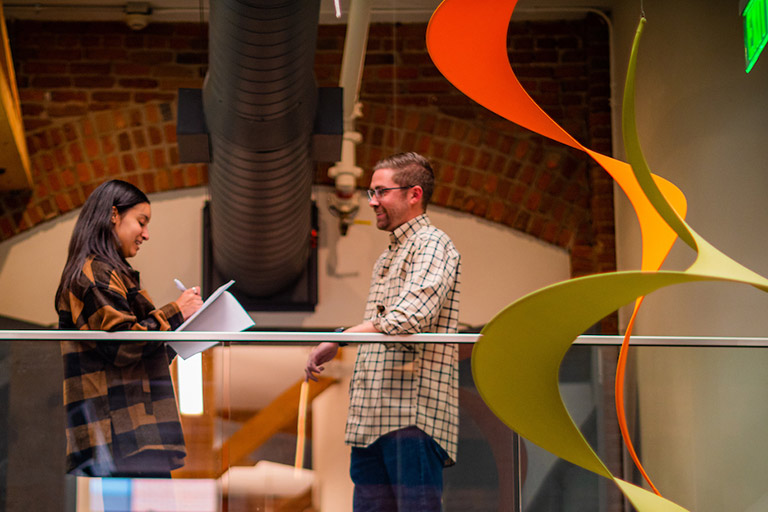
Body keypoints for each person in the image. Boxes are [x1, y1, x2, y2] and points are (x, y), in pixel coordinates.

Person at [305, 152, 461, 511]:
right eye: (371, 192)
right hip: (371, 420)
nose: (371, 201)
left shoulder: (432, 244)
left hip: (411, 418)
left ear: (414, 194)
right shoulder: (390, 254)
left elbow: (408, 318)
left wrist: (339, 338)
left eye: (381, 191)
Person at [55, 179, 203, 477]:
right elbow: (122, 345)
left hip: (129, 435)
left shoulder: (108, 272)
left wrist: (182, 329)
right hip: (121, 435)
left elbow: (134, 355)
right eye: (141, 221)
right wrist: (176, 312)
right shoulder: (95, 272)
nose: (146, 234)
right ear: (113, 215)